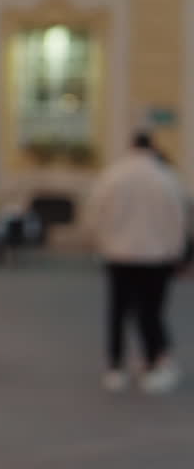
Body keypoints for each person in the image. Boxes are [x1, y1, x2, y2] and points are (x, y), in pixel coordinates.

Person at [86, 131, 189, 394]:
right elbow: (178, 219)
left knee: (118, 311)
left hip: (119, 255)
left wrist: (103, 244)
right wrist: (177, 253)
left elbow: (94, 215)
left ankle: (115, 366)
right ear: (152, 148)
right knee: (152, 311)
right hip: (157, 257)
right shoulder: (166, 178)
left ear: (130, 147)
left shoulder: (113, 176)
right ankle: (153, 363)